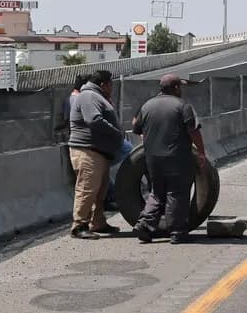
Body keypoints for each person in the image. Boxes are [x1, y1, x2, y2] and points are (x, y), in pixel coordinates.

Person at [131, 74, 207, 244]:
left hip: (152, 158)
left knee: (157, 193)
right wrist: (201, 152)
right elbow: (193, 131)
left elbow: (136, 125)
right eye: (180, 86)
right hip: (176, 158)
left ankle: (145, 224)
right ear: (176, 88)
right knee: (177, 192)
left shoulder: (147, 105)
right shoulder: (182, 106)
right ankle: (177, 231)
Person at [67, 70, 123, 240]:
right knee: (87, 189)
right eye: (111, 84)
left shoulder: (95, 96)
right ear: (103, 84)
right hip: (87, 150)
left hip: (98, 151)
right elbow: (94, 120)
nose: (112, 88)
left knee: (100, 191)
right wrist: (115, 133)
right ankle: (79, 226)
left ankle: (98, 222)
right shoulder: (89, 96)